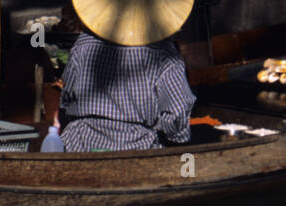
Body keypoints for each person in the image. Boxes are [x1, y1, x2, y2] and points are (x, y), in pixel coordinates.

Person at [57, 0, 197, 152]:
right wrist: (177, 137)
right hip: (139, 148)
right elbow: (177, 112)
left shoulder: (84, 43)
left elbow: (67, 96)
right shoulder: (165, 54)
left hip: (81, 144)